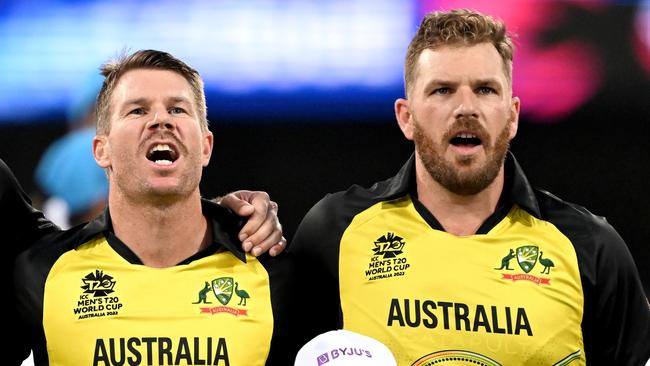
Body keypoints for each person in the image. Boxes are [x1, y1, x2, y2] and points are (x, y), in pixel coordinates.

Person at [289, 9, 650, 365]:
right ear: (406, 117)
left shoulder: (591, 247)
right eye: (443, 90)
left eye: (485, 89)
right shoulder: (334, 232)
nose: (466, 108)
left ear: (512, 116)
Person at [12, 50, 293, 365]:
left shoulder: (279, 276)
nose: (161, 120)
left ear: (206, 146)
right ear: (100, 150)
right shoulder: (39, 274)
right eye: (137, 110)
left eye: (177, 108)